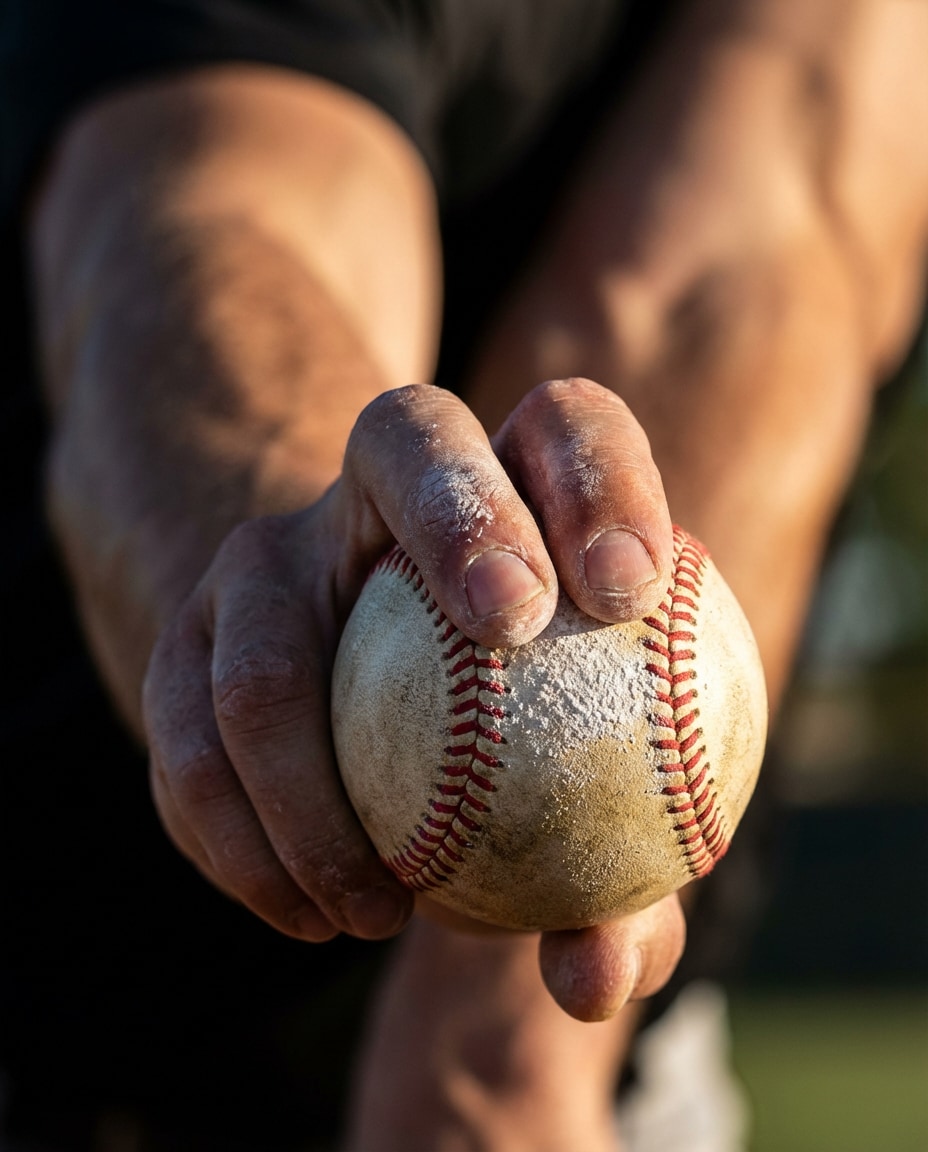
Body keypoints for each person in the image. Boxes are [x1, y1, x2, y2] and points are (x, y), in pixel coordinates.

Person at [2, 1, 926, 1148]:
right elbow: (200, 216)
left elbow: (732, 276)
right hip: (75, 980)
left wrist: (498, 1051)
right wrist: (292, 558)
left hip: (596, 1067)